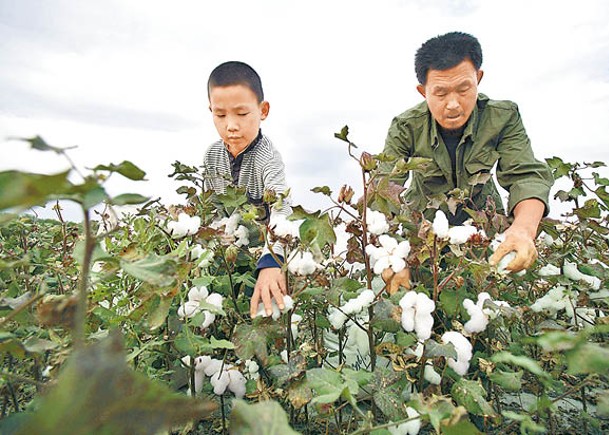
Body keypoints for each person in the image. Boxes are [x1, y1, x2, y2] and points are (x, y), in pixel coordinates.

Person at [381, 31, 554, 273]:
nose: (453, 104)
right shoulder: (406, 127)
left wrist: (523, 230)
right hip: (423, 236)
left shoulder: (503, 117)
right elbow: (382, 189)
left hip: (484, 233)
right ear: (423, 92)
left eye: (463, 89)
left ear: (478, 79)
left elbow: (526, 177)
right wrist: (392, 260)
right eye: (440, 93)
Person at [202, 61, 290, 318]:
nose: (231, 125)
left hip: (262, 257)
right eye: (220, 115)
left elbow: (281, 209)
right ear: (211, 110)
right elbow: (211, 208)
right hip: (227, 255)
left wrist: (271, 262)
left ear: (263, 110)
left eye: (241, 114)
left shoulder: (268, 159)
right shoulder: (211, 156)